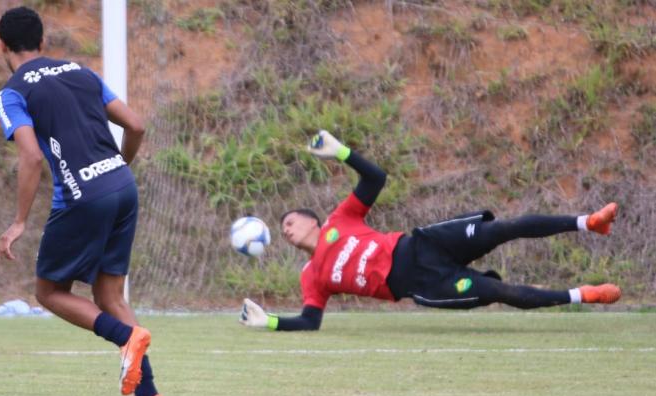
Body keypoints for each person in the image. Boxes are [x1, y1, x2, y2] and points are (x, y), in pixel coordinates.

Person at [239, 130, 621, 331]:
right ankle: (584, 295)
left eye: (289, 221)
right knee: (498, 291)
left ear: (313, 221)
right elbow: (310, 321)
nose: (286, 230)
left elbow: (375, 178)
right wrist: (267, 322)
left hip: (421, 244)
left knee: (503, 228)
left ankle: (588, 222)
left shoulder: (340, 220)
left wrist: (342, 153)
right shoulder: (313, 276)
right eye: (282, 230)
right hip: (421, 284)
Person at [0, 7, 163, 396]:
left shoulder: (12, 92)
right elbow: (136, 125)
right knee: (108, 294)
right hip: (122, 185)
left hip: (83, 196)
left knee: (49, 292)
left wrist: (18, 222)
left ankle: (125, 337)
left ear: (2, 47)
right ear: (43, 41)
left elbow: (31, 156)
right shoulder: (80, 71)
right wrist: (120, 167)